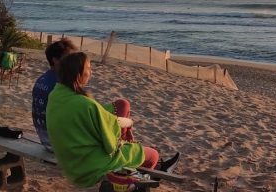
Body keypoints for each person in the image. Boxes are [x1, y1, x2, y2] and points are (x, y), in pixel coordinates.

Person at [46, 52, 179, 187]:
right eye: (88, 68)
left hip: (71, 159)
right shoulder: (85, 104)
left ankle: (147, 165)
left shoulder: (56, 95)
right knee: (153, 155)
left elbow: (97, 119)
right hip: (90, 165)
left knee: (123, 104)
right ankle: (148, 177)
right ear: (78, 73)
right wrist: (129, 124)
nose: (91, 72)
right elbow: (110, 145)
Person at [32, 38, 137, 150]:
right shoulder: (62, 84)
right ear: (55, 60)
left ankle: (122, 141)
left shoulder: (42, 79)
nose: (74, 62)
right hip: (62, 144)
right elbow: (82, 119)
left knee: (121, 105)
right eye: (69, 58)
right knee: (122, 106)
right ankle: (120, 145)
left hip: (46, 139)